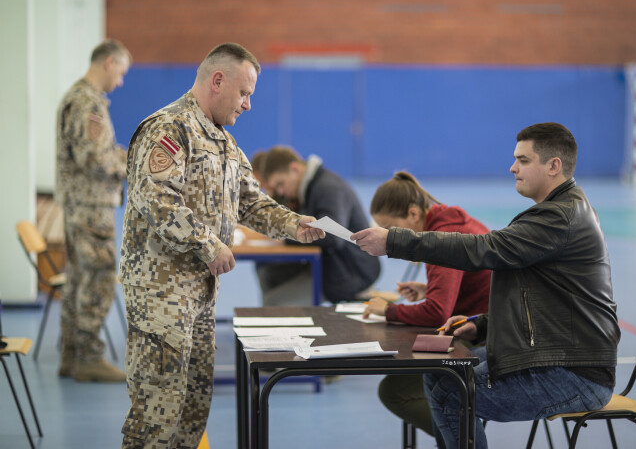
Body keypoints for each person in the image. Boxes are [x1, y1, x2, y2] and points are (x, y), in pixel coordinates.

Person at [352, 122, 620, 449]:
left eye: (523, 160)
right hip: (557, 359)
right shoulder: (554, 214)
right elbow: (538, 303)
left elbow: (482, 248)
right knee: (440, 373)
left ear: (553, 166)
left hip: (574, 375)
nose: (512, 167)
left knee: (454, 393)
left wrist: (395, 240)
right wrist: (480, 325)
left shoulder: (559, 218)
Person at [119, 43, 324, 448]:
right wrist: (208, 243)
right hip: (161, 295)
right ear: (217, 81)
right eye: (244, 93)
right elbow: (155, 198)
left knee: (193, 406)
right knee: (156, 413)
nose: (248, 105)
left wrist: (294, 223)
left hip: (200, 295)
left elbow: (252, 201)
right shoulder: (169, 129)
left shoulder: (223, 142)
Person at [362, 171, 490, 437]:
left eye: (388, 229)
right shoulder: (446, 222)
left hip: (485, 337)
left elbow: (437, 313)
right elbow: (467, 284)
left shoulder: (442, 236)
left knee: (394, 392)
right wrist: (428, 289)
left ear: (412, 215)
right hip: (484, 324)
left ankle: (466, 440)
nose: (386, 237)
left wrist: (387, 310)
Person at [55, 39, 131, 382]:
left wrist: (118, 155)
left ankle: (72, 355)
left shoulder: (79, 97)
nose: (121, 82)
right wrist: (128, 167)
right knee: (99, 276)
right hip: (91, 206)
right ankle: (88, 355)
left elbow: (92, 151)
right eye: (122, 72)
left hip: (79, 204)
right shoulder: (88, 104)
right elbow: (92, 157)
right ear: (109, 62)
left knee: (78, 278)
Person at [260, 146, 381, 304]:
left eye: (280, 184)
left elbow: (332, 236)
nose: (281, 191)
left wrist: (288, 236)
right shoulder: (310, 187)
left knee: (274, 302)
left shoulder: (328, 187)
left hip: (351, 270)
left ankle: (286, 321)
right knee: (268, 273)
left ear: (295, 169)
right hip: (328, 263)